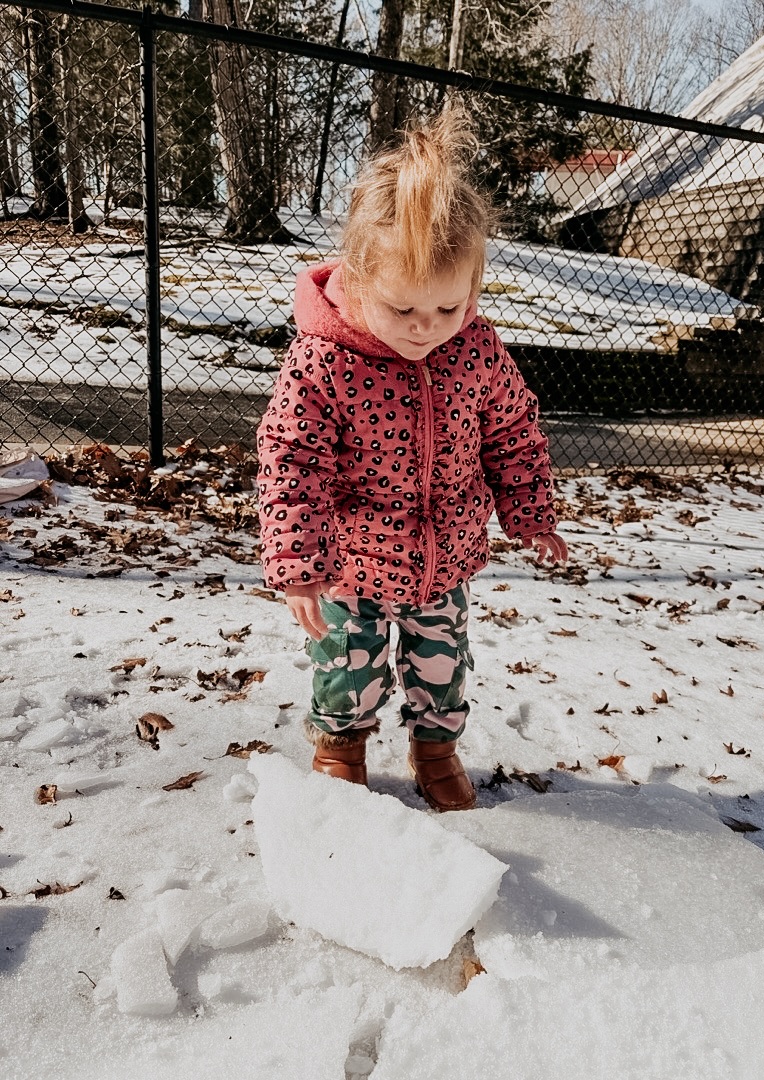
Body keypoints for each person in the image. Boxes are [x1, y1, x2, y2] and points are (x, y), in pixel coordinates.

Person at [256, 102, 567, 812]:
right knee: (347, 669)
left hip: (444, 558)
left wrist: (530, 512)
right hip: (350, 565)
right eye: (403, 312)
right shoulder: (322, 361)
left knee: (442, 667)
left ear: (473, 292)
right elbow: (291, 460)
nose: (427, 330)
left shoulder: (476, 351)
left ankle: (436, 749)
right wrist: (300, 562)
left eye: (448, 309)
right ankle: (340, 748)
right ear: (359, 284)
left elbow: (513, 431)